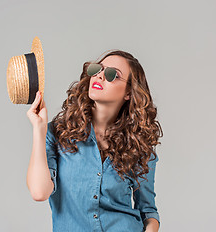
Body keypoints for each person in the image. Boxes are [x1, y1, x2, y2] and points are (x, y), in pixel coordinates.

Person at [26, 50, 163, 232]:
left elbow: (148, 211)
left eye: (111, 74)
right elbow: (39, 192)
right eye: (98, 69)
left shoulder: (138, 145)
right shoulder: (58, 133)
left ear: (129, 92)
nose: (100, 76)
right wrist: (39, 129)